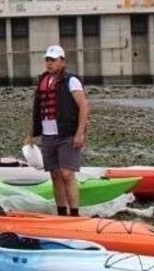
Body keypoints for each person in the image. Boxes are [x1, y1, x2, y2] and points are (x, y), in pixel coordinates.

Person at [25, 45, 90, 217]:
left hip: (67, 134)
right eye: (47, 60)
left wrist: (80, 133)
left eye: (53, 60)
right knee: (55, 175)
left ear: (62, 61)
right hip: (48, 135)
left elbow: (83, 107)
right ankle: (61, 213)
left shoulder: (71, 81)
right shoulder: (43, 81)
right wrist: (31, 133)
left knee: (67, 174)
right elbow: (38, 109)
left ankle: (74, 214)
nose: (49, 63)